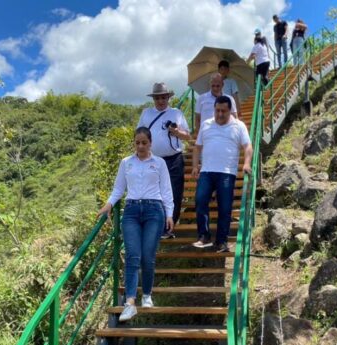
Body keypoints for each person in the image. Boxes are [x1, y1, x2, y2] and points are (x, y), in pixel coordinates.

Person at [98, 127, 175, 322]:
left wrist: (170, 214)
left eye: (144, 143)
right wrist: (108, 205)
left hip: (154, 210)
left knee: (147, 256)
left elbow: (166, 190)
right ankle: (130, 303)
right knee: (133, 255)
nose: (140, 146)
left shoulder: (159, 163)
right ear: (134, 143)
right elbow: (119, 188)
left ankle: (147, 295)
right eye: (137, 142)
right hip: (131, 210)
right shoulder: (126, 163)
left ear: (150, 143)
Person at [191, 96, 252, 253]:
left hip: (226, 172)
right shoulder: (206, 124)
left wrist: (246, 163)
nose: (219, 114)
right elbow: (197, 147)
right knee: (200, 200)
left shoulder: (239, 126)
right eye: (217, 110)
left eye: (223, 111)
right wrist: (195, 166)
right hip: (206, 171)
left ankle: (221, 242)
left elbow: (248, 146)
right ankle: (204, 236)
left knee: (225, 208)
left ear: (230, 110)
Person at [136, 82, 191, 239]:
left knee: (174, 193)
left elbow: (188, 136)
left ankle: (168, 228)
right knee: (153, 194)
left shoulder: (176, 113)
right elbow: (139, 135)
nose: (161, 101)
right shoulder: (146, 114)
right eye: (158, 98)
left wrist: (177, 132)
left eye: (164, 97)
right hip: (152, 160)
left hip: (174, 159)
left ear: (168, 97)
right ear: (154, 99)